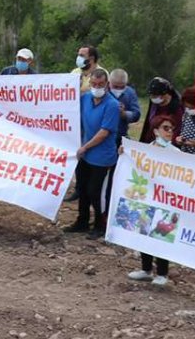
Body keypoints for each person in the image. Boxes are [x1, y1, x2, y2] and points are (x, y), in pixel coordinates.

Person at [63, 69, 126, 240]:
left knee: (95, 192)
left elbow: (104, 132)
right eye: (94, 84)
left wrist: (85, 147)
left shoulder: (111, 105)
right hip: (85, 153)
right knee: (82, 189)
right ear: (89, 83)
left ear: (107, 85)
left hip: (102, 156)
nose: (97, 87)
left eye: (100, 84)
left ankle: (100, 224)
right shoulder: (85, 99)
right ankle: (82, 221)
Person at [128, 116, 179, 286]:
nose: (169, 132)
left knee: (161, 234)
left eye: (171, 128)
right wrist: (125, 152)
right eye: (165, 128)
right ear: (156, 130)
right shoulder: (145, 150)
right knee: (144, 231)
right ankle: (146, 269)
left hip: (165, 200)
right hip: (147, 198)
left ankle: (163, 273)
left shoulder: (176, 154)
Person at [138, 77, 181, 144]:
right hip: (152, 142)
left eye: (155, 96)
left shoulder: (178, 108)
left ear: (165, 94)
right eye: (151, 96)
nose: (153, 98)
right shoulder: (154, 105)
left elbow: (177, 129)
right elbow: (148, 125)